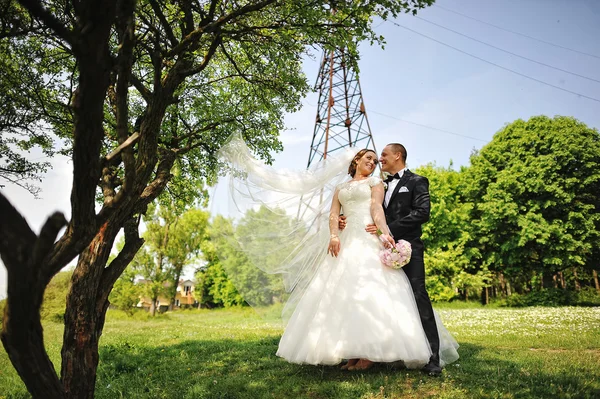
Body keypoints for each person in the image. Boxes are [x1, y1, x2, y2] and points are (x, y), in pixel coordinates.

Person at [275, 148, 459, 371]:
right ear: (356, 160)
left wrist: (385, 232)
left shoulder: (381, 182)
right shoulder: (341, 187)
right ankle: (352, 352)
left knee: (382, 291)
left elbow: (376, 208)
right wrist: (334, 233)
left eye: (378, 157)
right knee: (345, 293)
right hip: (347, 240)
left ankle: (421, 356)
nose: (375, 161)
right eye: (369, 158)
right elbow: (334, 213)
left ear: (397, 156)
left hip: (377, 239)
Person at [339, 143, 445, 375]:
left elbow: (421, 213)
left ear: (398, 155)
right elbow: (365, 208)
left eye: (384, 155)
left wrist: (386, 230)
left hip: (408, 248)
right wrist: (342, 220)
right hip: (377, 249)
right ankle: (379, 350)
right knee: (381, 298)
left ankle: (433, 356)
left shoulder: (417, 181)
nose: (380, 160)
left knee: (418, 297)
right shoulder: (378, 183)